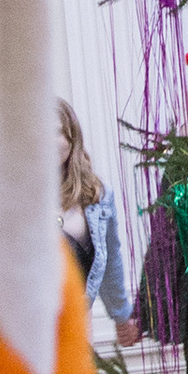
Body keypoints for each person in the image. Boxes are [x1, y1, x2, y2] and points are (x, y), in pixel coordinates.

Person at [59, 98, 137, 352]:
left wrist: (121, 315)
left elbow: (111, 258)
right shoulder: (14, 196)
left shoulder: (98, 196)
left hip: (79, 329)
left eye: (56, 132)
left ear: (72, 139)